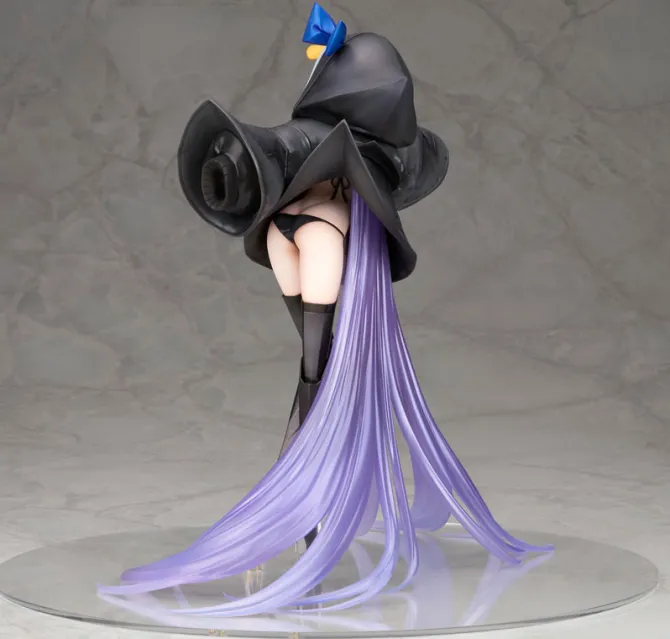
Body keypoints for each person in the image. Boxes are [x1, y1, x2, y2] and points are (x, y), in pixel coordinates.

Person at [98, 3, 551, 616]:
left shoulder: (314, 159)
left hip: (285, 229)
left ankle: (298, 513)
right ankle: (304, 520)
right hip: (318, 235)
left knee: (318, 371)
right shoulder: (346, 181)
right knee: (320, 374)